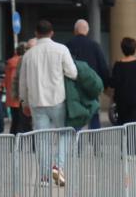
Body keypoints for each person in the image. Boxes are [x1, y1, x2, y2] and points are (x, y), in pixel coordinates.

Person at [18, 19, 78, 185]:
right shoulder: (61, 49)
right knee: (64, 133)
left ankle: (44, 177)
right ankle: (58, 166)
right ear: (52, 33)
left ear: (36, 34)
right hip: (58, 99)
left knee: (42, 139)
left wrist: (24, 102)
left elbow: (23, 82)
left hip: (36, 102)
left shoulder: (28, 55)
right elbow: (73, 73)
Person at [65, 19, 110, 129]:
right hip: (91, 86)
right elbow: (103, 67)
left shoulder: (67, 46)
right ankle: (95, 137)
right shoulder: (95, 46)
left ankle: (76, 138)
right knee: (94, 113)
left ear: (75, 31)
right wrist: (106, 85)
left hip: (73, 88)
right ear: (87, 31)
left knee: (75, 116)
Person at [109, 37, 136, 126]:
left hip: (121, 100)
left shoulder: (118, 65)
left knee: (123, 125)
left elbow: (113, 83)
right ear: (134, 49)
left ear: (122, 49)